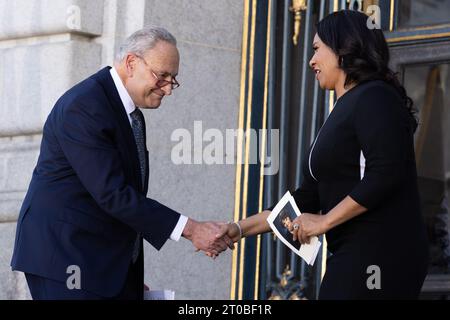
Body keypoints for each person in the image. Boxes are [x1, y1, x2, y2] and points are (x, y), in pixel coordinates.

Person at [10, 26, 233, 300]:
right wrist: (191, 229)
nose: (168, 89)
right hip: (66, 260)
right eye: (162, 76)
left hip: (98, 265)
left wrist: (122, 277)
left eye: (172, 79)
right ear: (131, 63)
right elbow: (113, 194)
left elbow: (122, 202)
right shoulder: (86, 106)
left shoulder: (123, 110)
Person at [221, 10, 429, 299]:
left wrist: (324, 221)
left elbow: (386, 172)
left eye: (317, 49)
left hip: (380, 253)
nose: (311, 61)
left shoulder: (375, 96)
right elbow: (305, 198)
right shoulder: (345, 107)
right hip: (352, 253)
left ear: (343, 49)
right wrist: (237, 229)